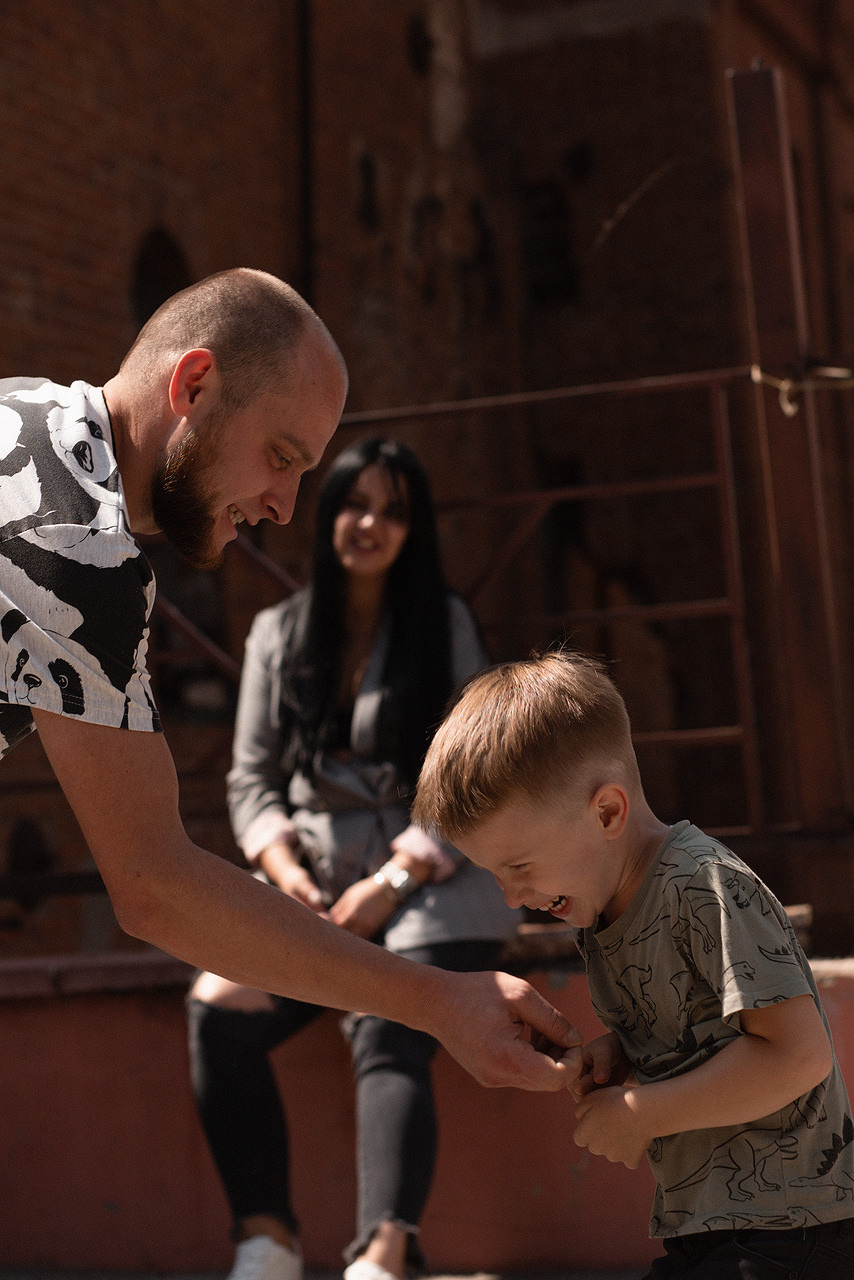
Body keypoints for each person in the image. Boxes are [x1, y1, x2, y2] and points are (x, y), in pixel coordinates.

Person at [0, 268, 581, 1098]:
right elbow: (154, 885)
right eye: (281, 457)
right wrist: (438, 1000)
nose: (283, 505)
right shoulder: (82, 550)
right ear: (194, 384)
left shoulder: (20, 410)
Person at [188, 436, 522, 1280]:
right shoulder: (276, 633)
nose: (369, 523)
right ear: (326, 512)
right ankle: (266, 1241)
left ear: (415, 530)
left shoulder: (444, 626)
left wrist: (395, 879)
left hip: (435, 878)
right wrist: (284, 874)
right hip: (314, 882)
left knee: (392, 1012)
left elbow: (477, 774)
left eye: (393, 510)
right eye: (353, 503)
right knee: (218, 1010)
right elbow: (252, 782)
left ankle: (386, 1251)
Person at [412, 650, 854, 1279]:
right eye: (494, 877)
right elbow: (707, 1027)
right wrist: (624, 1051)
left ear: (608, 813)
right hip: (711, 1227)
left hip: (793, 1232)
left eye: (520, 868)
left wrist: (645, 1113)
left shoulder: (703, 886)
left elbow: (797, 1056)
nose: (512, 897)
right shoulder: (604, 907)